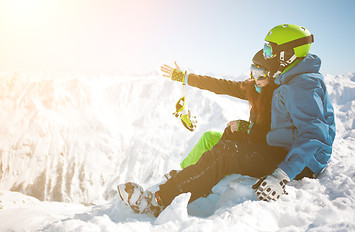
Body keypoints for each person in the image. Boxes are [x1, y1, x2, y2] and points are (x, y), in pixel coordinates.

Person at [117, 24, 336, 218]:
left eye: (270, 49)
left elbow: (315, 133)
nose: (267, 54)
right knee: (229, 139)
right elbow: (224, 86)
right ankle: (193, 178)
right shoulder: (289, 78)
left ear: (287, 54)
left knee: (226, 155)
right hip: (286, 148)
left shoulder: (300, 85)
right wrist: (185, 77)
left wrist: (282, 174)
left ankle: (157, 201)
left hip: (302, 163)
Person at [167, 49, 278, 174]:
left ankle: (193, 176)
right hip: (250, 140)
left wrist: (247, 128)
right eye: (253, 72)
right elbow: (221, 85)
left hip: (261, 153)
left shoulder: (279, 99)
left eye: (260, 73)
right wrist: (185, 77)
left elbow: (279, 137)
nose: (255, 78)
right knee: (209, 137)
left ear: (273, 75)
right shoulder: (254, 89)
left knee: (222, 150)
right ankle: (183, 175)